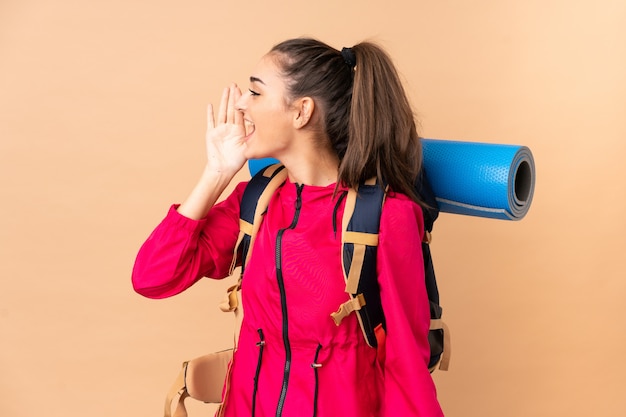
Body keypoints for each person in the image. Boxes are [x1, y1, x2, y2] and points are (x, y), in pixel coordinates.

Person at [132, 37, 443, 417]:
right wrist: (216, 175)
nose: (242, 104)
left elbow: (406, 371)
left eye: (255, 92)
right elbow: (152, 277)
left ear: (302, 112)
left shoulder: (385, 218)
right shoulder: (256, 200)